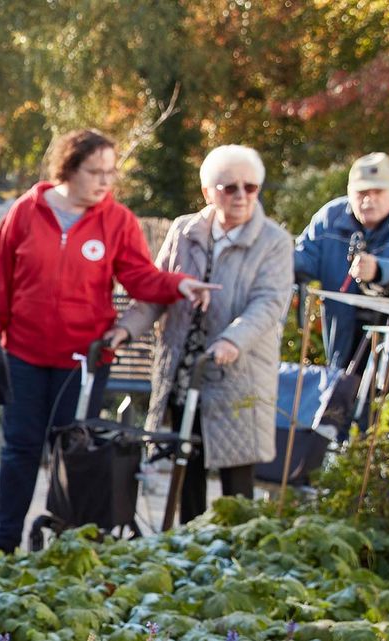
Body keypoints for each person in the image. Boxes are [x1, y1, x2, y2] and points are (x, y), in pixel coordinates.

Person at [0, 129, 218, 556]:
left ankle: (66, 544)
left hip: (84, 360)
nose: (105, 181)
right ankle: (3, 542)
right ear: (69, 169)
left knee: (74, 454)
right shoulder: (25, 212)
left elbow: (140, 276)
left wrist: (179, 284)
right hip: (23, 354)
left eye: (111, 172)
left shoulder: (118, 220)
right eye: (95, 172)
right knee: (19, 449)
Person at [109, 144, 293, 524]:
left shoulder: (273, 240)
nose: (241, 195)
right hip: (184, 367)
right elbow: (159, 290)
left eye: (250, 187)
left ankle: (238, 548)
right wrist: (125, 330)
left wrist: (231, 340)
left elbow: (268, 304)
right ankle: (189, 542)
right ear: (208, 192)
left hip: (236, 372)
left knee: (236, 477)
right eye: (230, 187)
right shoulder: (185, 230)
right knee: (185, 463)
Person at [291, 152, 389, 392]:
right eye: (362, 192)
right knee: (344, 406)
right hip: (347, 345)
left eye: (378, 192)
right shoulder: (329, 219)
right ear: (349, 192)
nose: (369, 199)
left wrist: (379, 270)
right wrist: (273, 257)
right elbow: (303, 262)